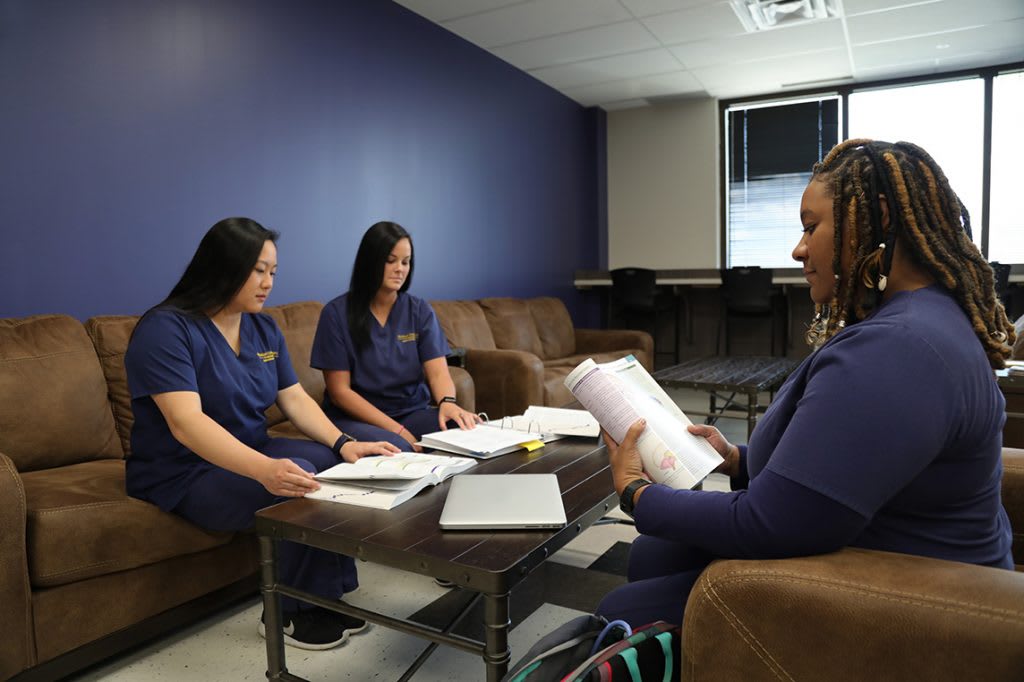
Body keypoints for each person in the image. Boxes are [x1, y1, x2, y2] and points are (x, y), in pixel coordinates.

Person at [598, 139, 1017, 627]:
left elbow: (769, 524)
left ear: (876, 220)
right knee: (652, 556)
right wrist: (738, 458)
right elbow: (854, 458)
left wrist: (635, 493)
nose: (798, 249)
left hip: (910, 594)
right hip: (882, 538)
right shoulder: (920, 321)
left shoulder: (896, 348)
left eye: (810, 227)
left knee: (616, 610)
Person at [124, 217, 399, 650]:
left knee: (338, 466)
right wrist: (264, 470)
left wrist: (345, 444)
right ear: (223, 266)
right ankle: (285, 612)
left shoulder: (262, 327)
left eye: (273, 272)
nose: (268, 282)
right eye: (258, 270)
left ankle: (324, 594)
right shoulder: (165, 329)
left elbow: (294, 399)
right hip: (183, 470)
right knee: (301, 474)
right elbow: (186, 423)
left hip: (251, 445)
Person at [311, 221, 480, 452]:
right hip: (355, 419)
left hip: (411, 412)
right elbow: (340, 393)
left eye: (406, 262)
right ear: (369, 261)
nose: (400, 268)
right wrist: (397, 430)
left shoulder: (419, 310)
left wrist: (447, 403)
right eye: (390, 261)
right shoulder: (335, 314)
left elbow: (439, 372)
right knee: (400, 448)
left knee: (467, 432)